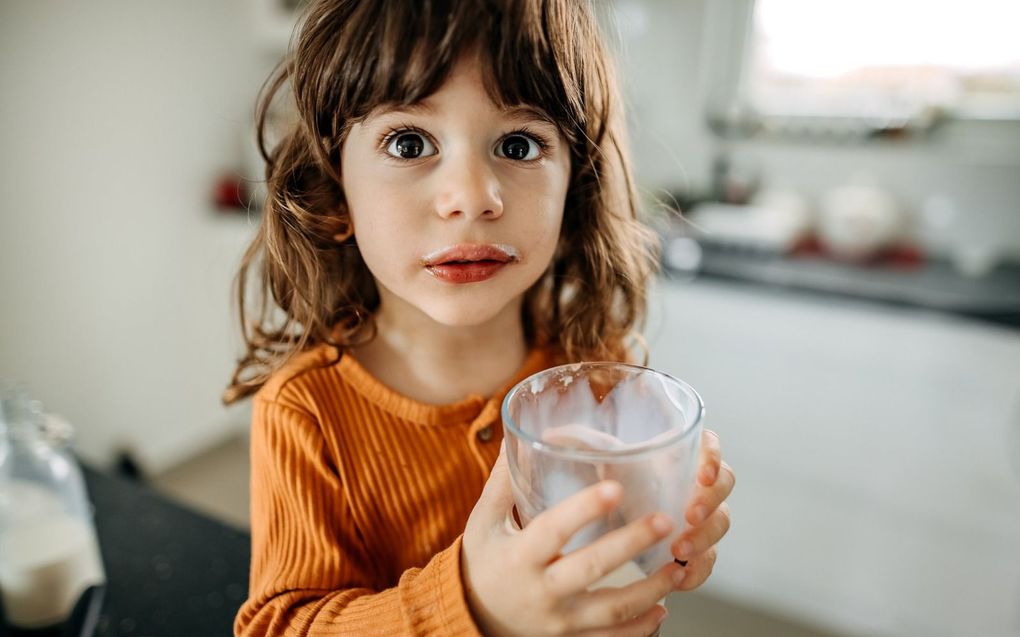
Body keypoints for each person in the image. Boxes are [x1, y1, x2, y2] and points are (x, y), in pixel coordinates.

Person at [224, 1, 735, 635]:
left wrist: (659, 531)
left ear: (573, 188)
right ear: (335, 193)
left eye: (518, 144)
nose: (472, 196)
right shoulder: (307, 414)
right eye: (409, 142)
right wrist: (477, 605)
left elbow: (614, 548)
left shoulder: (602, 369)